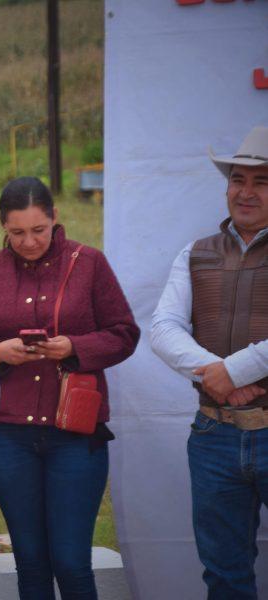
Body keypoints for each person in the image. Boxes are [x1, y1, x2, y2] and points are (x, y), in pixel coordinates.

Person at [0, 176, 139, 600]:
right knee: (30, 561)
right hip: (7, 434)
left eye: (38, 230)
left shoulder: (90, 263)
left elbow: (125, 333)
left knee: (71, 561)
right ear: (2, 225)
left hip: (76, 434)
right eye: (17, 232)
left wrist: (74, 346)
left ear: (55, 218)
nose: (28, 241)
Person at [151, 125, 268, 599]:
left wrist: (232, 371)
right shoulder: (196, 252)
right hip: (214, 433)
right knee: (223, 574)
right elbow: (163, 329)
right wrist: (217, 377)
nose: (245, 192)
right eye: (237, 180)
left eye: (261, 181)